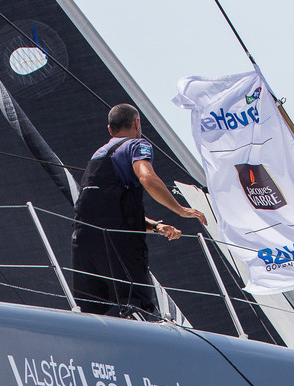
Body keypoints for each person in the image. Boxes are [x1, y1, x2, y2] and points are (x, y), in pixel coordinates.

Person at [71, 103, 207, 318]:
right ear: (136, 123)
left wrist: (156, 225)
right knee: (136, 306)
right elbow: (147, 177)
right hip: (117, 243)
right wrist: (180, 210)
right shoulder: (136, 145)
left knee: (93, 311)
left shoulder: (97, 156)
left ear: (109, 129)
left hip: (83, 241)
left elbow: (109, 208)